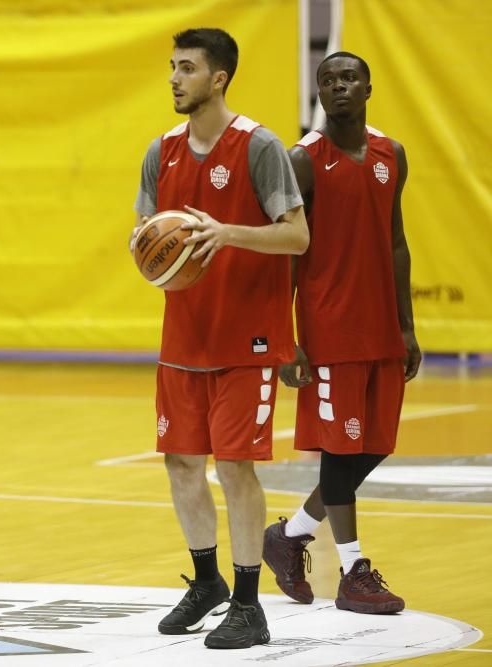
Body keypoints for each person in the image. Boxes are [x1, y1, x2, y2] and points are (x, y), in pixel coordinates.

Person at [132, 29, 308, 649]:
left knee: (235, 468)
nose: (175, 78)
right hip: (183, 337)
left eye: (187, 68)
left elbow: (297, 237)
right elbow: (148, 232)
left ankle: (249, 603)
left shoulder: (258, 146)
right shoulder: (162, 150)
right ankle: (206, 580)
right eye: (172, 67)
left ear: (219, 78)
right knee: (181, 464)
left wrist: (227, 233)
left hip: (246, 340)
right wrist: (147, 250)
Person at [262, 51, 420, 614]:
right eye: (328, 80)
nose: (339, 87)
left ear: (368, 87)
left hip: (381, 327)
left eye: (349, 78)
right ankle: (354, 572)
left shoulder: (391, 154)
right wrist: (286, 337)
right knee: (339, 449)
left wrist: (406, 324)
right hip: (329, 329)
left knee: (372, 445)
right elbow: (284, 259)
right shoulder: (302, 159)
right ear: (319, 93)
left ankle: (290, 535)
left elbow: (396, 242)